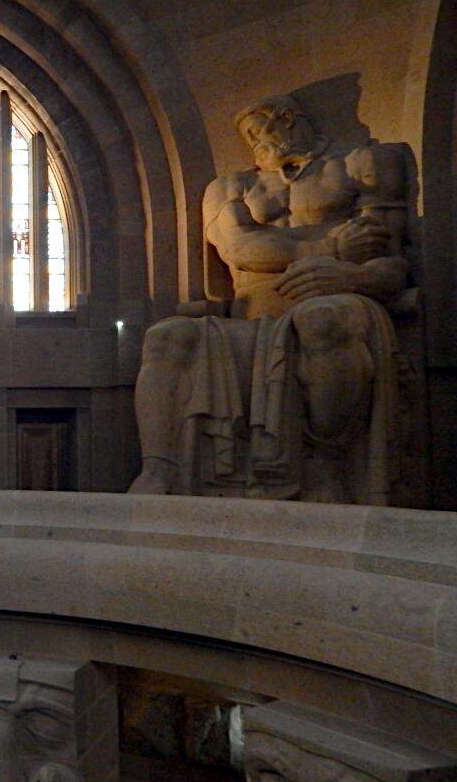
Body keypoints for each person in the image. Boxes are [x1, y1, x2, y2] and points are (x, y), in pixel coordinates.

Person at [129, 94, 410, 504]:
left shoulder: (362, 165)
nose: (253, 142)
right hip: (250, 318)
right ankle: (159, 469)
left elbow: (389, 263)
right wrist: (327, 247)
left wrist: (348, 273)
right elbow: (239, 248)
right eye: (247, 136)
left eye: (258, 130)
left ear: (288, 119)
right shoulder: (230, 187)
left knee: (322, 319)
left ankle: (325, 464)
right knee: (166, 336)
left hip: (342, 297)